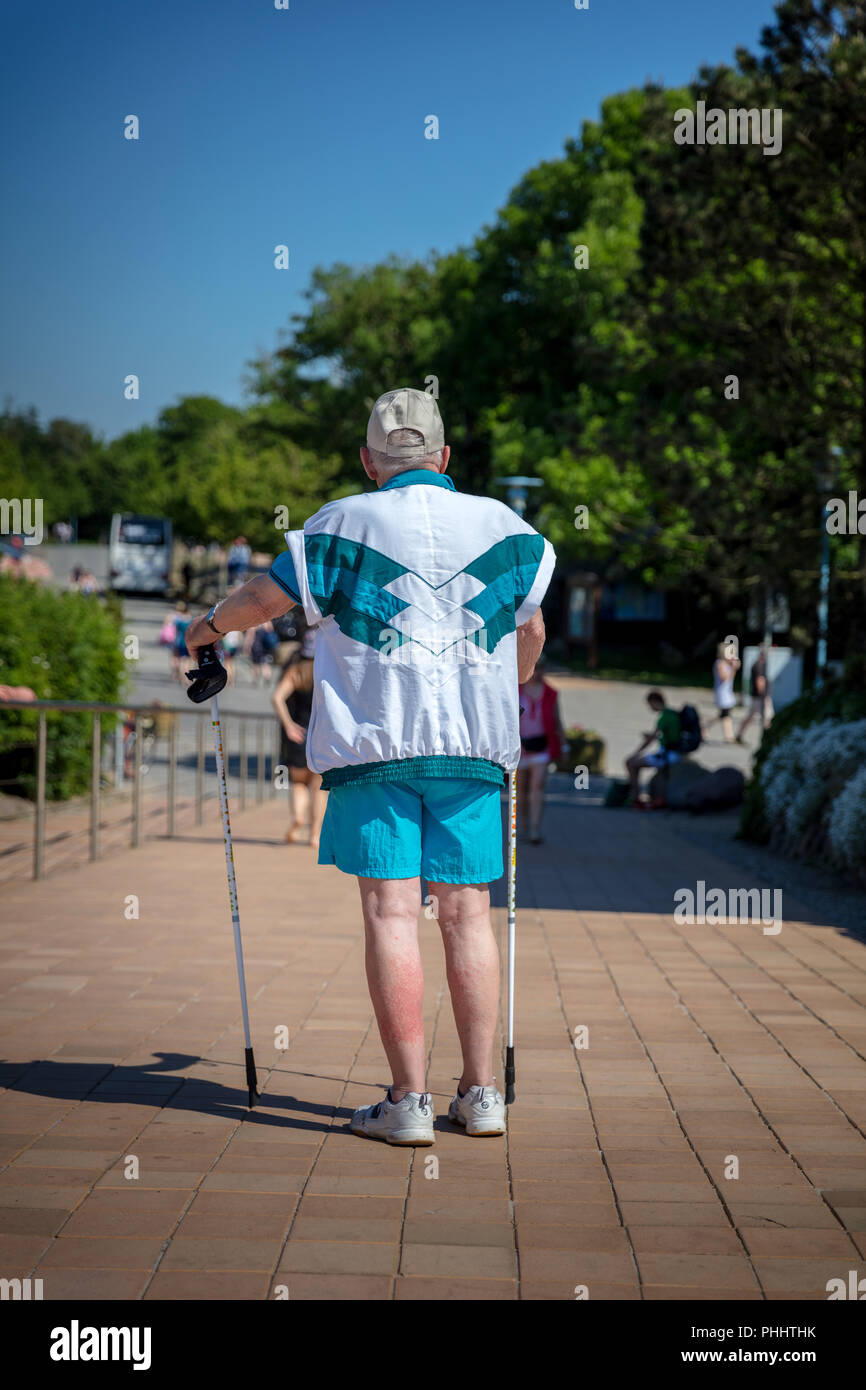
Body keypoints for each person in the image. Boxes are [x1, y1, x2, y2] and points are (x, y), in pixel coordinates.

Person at [184, 387, 553, 1146]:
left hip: (375, 748)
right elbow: (531, 637)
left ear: (367, 460)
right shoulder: (509, 530)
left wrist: (206, 628)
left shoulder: (339, 524)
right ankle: (482, 1094)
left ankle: (408, 1103)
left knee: (391, 914)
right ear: (444, 456)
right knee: (467, 916)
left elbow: (264, 599)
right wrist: (503, 680)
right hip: (473, 752)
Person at [272, 629, 326, 849]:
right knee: (318, 788)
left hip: (298, 735)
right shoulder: (326, 672)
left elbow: (277, 697)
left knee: (298, 783)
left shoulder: (295, 671)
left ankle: (298, 817)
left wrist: (288, 725)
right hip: (321, 736)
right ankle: (315, 835)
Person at [517, 656, 565, 845]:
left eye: (540, 668)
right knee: (520, 790)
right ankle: (524, 826)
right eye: (533, 668)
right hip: (520, 747)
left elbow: (557, 720)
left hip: (541, 746)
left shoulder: (550, 693)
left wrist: (564, 745)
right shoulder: (516, 689)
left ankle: (535, 829)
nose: (536, 672)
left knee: (537, 787)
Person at [625, 690, 682, 804]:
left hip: (668, 755)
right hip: (674, 752)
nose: (650, 707)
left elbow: (650, 740)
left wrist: (636, 753)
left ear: (654, 702)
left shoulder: (664, 717)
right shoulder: (673, 713)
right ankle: (637, 795)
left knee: (630, 762)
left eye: (649, 704)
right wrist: (653, 736)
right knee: (635, 763)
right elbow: (668, 735)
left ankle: (636, 798)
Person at [737, 644, 774, 743]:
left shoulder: (759, 664)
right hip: (760, 697)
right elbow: (760, 682)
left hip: (756, 697)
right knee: (767, 718)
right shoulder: (759, 665)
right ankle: (768, 740)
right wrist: (765, 697)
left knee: (750, 716)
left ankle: (739, 734)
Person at [705, 641, 740, 744]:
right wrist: (733, 668)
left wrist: (733, 668)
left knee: (724, 715)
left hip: (727, 693)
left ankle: (706, 727)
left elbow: (730, 678)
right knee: (725, 714)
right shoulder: (720, 663)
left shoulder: (726, 664)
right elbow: (724, 678)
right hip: (722, 693)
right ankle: (728, 736)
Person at [170, 601, 192, 682]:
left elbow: (174, 630)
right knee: (188, 661)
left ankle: (181, 678)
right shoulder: (191, 620)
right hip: (189, 642)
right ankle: (187, 679)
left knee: (182, 660)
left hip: (180, 642)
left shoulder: (178, 621)